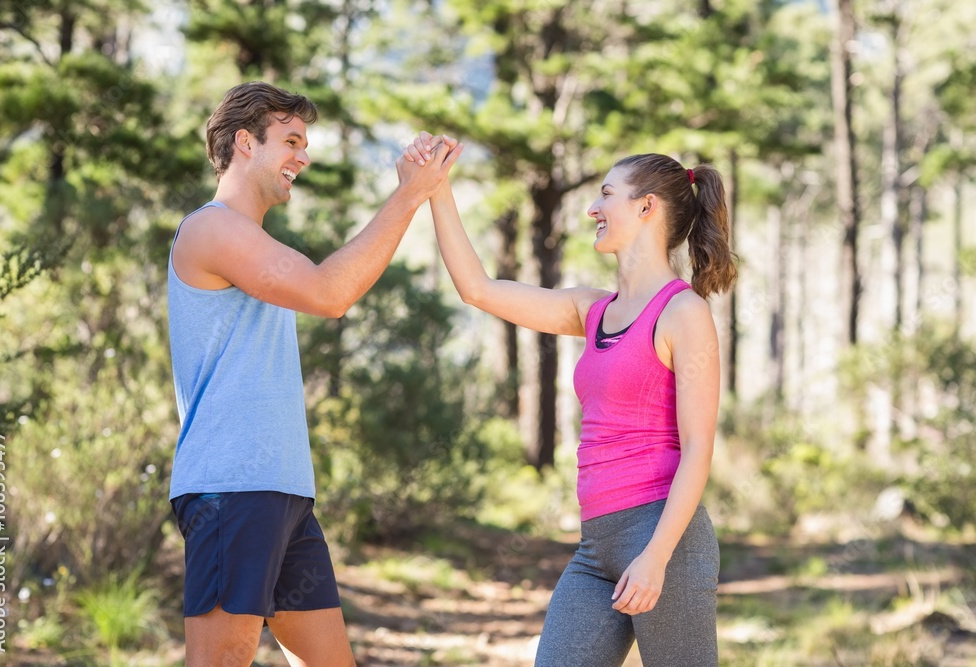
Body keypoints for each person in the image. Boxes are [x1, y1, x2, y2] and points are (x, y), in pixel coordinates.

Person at [403, 132, 736, 666]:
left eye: (607, 194)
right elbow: (478, 289)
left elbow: (698, 448)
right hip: (595, 546)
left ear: (646, 206)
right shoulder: (593, 310)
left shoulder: (683, 313)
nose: (592, 208)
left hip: (664, 542)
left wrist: (656, 557)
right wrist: (437, 189)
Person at [166, 83, 462, 667]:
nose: (303, 156)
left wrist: (414, 190)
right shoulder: (212, 230)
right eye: (291, 141)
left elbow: (331, 287)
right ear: (245, 143)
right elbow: (329, 293)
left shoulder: (252, 240)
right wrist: (408, 195)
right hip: (232, 487)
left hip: (282, 492)